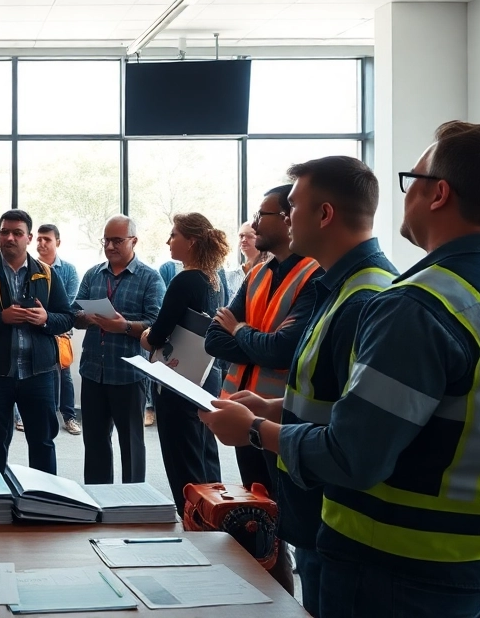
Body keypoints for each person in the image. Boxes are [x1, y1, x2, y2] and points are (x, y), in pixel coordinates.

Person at [203, 123, 480, 618]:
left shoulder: (418, 306)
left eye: (411, 179)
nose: (405, 194)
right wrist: (277, 409)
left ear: (438, 194)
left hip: (399, 567)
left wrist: (253, 430)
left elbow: (354, 456)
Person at [210, 157, 394, 616]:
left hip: (335, 508)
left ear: (324, 214)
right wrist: (273, 407)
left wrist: (256, 426)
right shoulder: (337, 285)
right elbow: (330, 396)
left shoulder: (365, 297)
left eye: (291, 207)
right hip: (313, 493)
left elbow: (355, 436)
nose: (285, 219)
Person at [204, 185, 322, 497]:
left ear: (287, 219)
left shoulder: (315, 275)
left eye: (261, 215)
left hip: (283, 417)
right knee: (255, 503)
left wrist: (240, 330)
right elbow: (213, 339)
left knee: (283, 507)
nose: (254, 225)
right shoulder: (258, 273)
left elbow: (283, 352)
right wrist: (262, 345)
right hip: (241, 411)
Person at [0, 210, 74, 475]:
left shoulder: (47, 275)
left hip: (39, 374)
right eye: (5, 232)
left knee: (43, 442)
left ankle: (44, 501)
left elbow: (66, 318)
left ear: (29, 238)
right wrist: (2, 318)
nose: (9, 238)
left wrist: (45, 318)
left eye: (17, 233)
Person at [139, 213, 231, 511]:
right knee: (204, 452)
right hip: (207, 376)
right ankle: (215, 516)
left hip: (179, 380)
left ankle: (194, 519)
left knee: (183, 459)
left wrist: (145, 335)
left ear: (191, 241)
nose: (169, 241)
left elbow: (157, 336)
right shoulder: (214, 279)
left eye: (174, 235)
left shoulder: (184, 280)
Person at [72, 216, 165, 485]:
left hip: (128, 374)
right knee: (95, 444)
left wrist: (124, 326)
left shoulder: (150, 278)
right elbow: (74, 314)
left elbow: (157, 326)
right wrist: (87, 317)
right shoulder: (93, 274)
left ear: (133, 241)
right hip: (93, 372)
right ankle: (99, 498)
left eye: (117, 240)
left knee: (131, 444)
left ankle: (134, 502)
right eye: (107, 240)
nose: (110, 246)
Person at [35, 223, 81, 436]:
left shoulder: (69, 270)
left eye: (47, 239)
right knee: (39, 376)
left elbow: (70, 303)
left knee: (65, 376)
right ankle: (40, 417)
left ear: (58, 243)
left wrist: (49, 316)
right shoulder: (30, 266)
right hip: (36, 331)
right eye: (39, 239)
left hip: (61, 332)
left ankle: (69, 417)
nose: (41, 243)